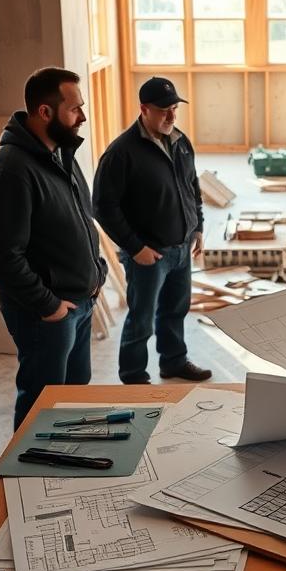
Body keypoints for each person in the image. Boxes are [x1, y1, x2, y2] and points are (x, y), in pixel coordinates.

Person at [0, 67, 107, 431]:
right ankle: (31, 479)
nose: (82, 117)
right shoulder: (12, 170)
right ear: (45, 112)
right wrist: (48, 305)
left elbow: (82, 218)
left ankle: (66, 468)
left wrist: (97, 271)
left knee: (74, 398)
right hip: (47, 314)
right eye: (74, 109)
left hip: (80, 304)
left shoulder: (62, 154)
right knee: (41, 406)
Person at [92, 77, 210, 384]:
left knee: (175, 311)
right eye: (163, 111)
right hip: (148, 255)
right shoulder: (121, 153)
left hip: (182, 248)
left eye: (174, 109)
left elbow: (191, 186)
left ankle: (173, 362)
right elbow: (103, 207)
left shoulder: (181, 141)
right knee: (141, 319)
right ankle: (133, 376)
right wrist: (135, 248)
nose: (171, 116)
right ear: (144, 109)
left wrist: (197, 227)